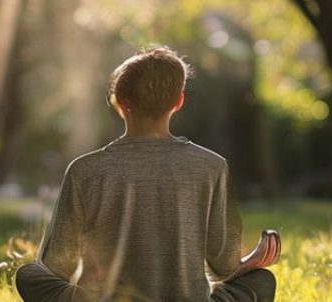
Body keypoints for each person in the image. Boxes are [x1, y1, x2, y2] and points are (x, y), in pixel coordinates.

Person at [15, 46, 277, 302]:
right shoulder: (212, 166)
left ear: (119, 101)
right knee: (261, 280)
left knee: (29, 275)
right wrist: (249, 262)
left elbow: (56, 263)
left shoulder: (84, 169)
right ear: (178, 102)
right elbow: (225, 265)